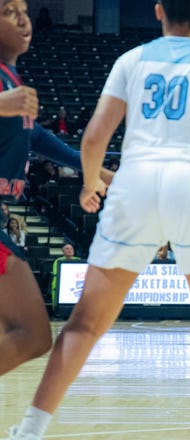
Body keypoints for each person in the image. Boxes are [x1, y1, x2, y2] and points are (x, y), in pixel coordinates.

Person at [9, 2, 190, 440]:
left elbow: (95, 135)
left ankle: (30, 430)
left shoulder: (131, 60)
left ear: (158, 11)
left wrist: (91, 181)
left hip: (134, 182)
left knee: (85, 324)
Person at [0, 0, 111, 380]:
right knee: (30, 333)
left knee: (29, 335)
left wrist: (101, 172)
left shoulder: (13, 79)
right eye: (7, 10)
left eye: (24, 10)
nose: (22, 19)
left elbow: (43, 140)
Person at [49, 243, 80, 309]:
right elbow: (56, 274)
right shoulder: (58, 261)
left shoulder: (78, 260)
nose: (70, 250)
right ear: (62, 251)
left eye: (71, 248)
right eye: (67, 248)